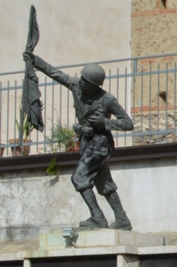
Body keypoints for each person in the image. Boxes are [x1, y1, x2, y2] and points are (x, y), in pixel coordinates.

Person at [24, 52, 134, 230]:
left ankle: (97, 217)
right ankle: (122, 219)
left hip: (101, 144)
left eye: (85, 81)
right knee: (104, 183)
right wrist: (35, 61)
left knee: (79, 178)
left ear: (93, 85)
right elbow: (55, 73)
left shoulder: (107, 100)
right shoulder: (76, 86)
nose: (80, 82)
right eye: (81, 79)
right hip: (87, 142)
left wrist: (105, 122)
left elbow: (128, 123)